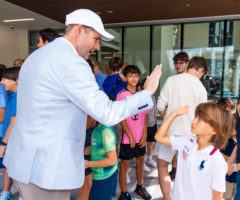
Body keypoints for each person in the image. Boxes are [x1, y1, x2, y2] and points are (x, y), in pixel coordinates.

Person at [3, 9, 162, 200]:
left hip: (24, 162)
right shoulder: (72, 63)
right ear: (79, 30)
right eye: (95, 38)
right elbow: (107, 112)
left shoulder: (36, 56)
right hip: (45, 168)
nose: (97, 46)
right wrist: (146, 93)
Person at [155, 103, 235, 200]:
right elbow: (159, 137)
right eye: (195, 117)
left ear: (214, 130)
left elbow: (217, 197)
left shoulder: (217, 161)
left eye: (200, 119)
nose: (193, 121)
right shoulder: (186, 141)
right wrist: (173, 114)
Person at [157, 56, 208, 200]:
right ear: (201, 70)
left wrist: (168, 119)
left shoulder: (172, 80)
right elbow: (203, 117)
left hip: (169, 133)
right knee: (185, 169)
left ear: (189, 65)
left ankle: (168, 198)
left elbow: (160, 105)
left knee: (162, 166)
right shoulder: (201, 88)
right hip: (190, 136)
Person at [116, 65, 151, 200]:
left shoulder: (142, 95)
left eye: (136, 76)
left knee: (141, 161)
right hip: (127, 138)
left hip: (140, 136)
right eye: (130, 76)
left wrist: (144, 135)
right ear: (125, 78)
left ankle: (140, 187)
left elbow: (145, 116)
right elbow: (121, 117)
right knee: (124, 165)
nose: (134, 78)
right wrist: (130, 135)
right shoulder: (121, 95)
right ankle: (124, 193)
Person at [0, 67, 21, 200]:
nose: (2, 82)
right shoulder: (11, 95)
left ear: (16, 80)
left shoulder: (17, 97)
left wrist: (3, 143)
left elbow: (13, 123)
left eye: (4, 79)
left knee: (15, 167)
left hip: (13, 139)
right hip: (10, 138)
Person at [169, 51, 189, 178]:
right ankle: (174, 169)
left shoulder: (192, 80)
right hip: (175, 121)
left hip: (188, 121)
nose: (178, 65)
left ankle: (184, 171)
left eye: (181, 63)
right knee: (174, 149)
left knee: (186, 150)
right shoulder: (172, 80)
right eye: (176, 63)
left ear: (187, 63)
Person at [85, 122, 118, 200]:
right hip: (99, 175)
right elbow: (96, 147)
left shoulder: (106, 132)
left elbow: (112, 160)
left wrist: (88, 164)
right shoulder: (97, 126)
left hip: (105, 177)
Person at [217, 98, 237, 200]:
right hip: (224, 172)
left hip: (234, 172)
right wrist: (230, 158)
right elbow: (216, 152)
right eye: (228, 112)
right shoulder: (219, 131)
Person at [141, 78, 157, 172]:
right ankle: (142, 162)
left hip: (152, 124)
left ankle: (150, 159)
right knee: (143, 143)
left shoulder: (153, 97)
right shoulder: (142, 98)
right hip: (144, 125)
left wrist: (154, 120)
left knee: (150, 142)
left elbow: (154, 110)